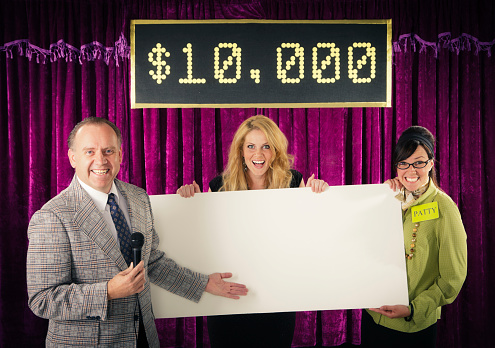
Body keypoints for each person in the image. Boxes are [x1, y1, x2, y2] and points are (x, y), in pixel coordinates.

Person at [26, 117, 248, 347]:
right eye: (89, 151)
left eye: (108, 150)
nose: (100, 160)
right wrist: (108, 292)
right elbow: (42, 299)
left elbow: (150, 261)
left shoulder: (138, 197)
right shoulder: (52, 216)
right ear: (73, 157)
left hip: (143, 337)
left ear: (120, 155)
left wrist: (203, 283)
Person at [177, 115, 328, 347]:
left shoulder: (293, 182)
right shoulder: (218, 186)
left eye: (266, 146)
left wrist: (316, 198)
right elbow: (205, 240)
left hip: (277, 297)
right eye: (251, 147)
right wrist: (191, 202)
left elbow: (308, 236)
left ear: (275, 151)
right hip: (229, 298)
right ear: (241, 152)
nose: (258, 154)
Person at [361, 126, 467, 348]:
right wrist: (382, 199)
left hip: (413, 327)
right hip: (373, 319)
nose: (411, 169)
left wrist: (413, 309)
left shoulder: (445, 208)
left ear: (430, 163)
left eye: (419, 162)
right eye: (404, 162)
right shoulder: (389, 198)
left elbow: (452, 279)